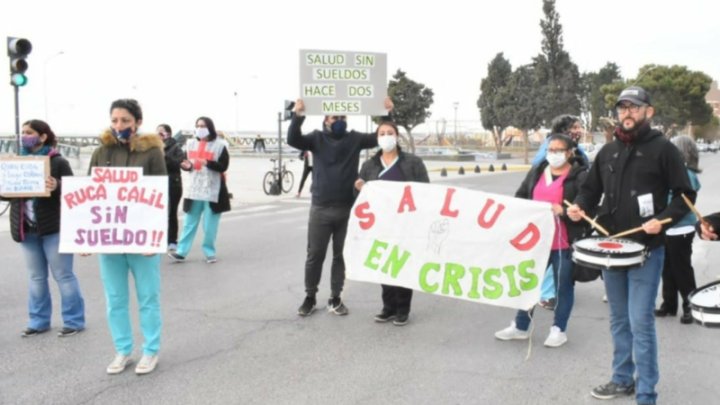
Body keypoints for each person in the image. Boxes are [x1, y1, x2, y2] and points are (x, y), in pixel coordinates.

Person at [567, 86, 695, 405]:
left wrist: (663, 220)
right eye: (622, 107)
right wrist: (579, 206)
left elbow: (684, 196)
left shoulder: (664, 149)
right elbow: (589, 189)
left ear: (648, 112)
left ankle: (647, 391)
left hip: (646, 250)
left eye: (634, 107)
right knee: (619, 320)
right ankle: (622, 379)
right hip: (611, 248)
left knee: (640, 321)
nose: (627, 112)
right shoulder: (608, 151)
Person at [288, 97, 393, 316]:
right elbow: (293, 139)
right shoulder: (316, 139)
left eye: (343, 117)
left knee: (340, 256)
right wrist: (297, 116)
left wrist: (386, 113)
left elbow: (379, 137)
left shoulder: (354, 139)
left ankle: (335, 298)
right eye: (335, 117)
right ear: (326, 120)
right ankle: (310, 297)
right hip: (320, 208)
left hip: (347, 209)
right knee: (315, 255)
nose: (340, 121)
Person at [88, 99, 167, 375]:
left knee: (148, 297)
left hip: (142, 238)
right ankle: (123, 350)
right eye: (115, 120)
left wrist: (156, 238)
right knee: (115, 299)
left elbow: (160, 197)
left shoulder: (152, 153)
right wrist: (85, 238)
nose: (119, 125)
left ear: (137, 122)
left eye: (124, 120)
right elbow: (90, 196)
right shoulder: (101, 152)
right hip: (110, 238)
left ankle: (150, 350)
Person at [495, 134, 589, 347]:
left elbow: (585, 207)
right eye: (550, 149)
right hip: (536, 241)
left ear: (569, 153)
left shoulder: (580, 176)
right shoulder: (537, 171)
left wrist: (563, 211)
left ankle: (559, 329)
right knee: (528, 282)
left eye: (559, 150)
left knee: (563, 285)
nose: (553, 154)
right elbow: (521, 197)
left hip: (564, 241)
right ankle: (520, 326)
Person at [2, 119, 85, 338]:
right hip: (26, 228)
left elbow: (75, 192)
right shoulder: (15, 162)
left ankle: (74, 320)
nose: (24, 136)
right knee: (36, 277)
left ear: (42, 136)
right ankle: (38, 321)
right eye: (22, 132)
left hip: (53, 228)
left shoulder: (57, 162)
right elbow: (5, 193)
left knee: (63, 275)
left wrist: (57, 185)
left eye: (28, 132)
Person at [354, 121, 429, 326]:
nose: (386, 136)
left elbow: (426, 192)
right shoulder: (370, 165)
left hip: (406, 225)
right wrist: (358, 187)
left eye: (390, 132)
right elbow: (360, 197)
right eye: (382, 133)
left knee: (402, 264)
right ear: (377, 138)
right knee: (384, 265)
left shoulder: (413, 163)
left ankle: (403, 309)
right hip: (380, 225)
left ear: (397, 136)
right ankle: (388, 308)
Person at [532, 114, 587, 310]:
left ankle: (553, 294)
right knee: (552, 258)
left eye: (580, 127)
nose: (579, 130)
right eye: (575, 127)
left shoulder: (576, 151)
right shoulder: (550, 152)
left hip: (568, 217)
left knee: (560, 259)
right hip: (550, 218)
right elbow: (538, 166)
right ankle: (547, 294)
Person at [168, 116, 230, 264]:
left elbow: (223, 166)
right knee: (189, 222)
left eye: (203, 125)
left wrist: (208, 163)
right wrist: (186, 166)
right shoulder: (190, 144)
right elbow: (187, 164)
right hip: (195, 190)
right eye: (197, 125)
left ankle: (209, 252)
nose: (199, 128)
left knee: (210, 225)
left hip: (212, 190)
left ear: (210, 127)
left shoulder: (220, 145)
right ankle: (181, 252)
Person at [655, 135, 700, 324]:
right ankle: (669, 304)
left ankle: (690, 307)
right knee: (667, 269)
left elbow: (680, 203)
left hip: (680, 229)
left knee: (681, 270)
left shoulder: (686, 174)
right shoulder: (677, 171)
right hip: (668, 228)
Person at [157, 124, 184, 252]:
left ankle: (172, 240)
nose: (159, 135)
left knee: (171, 212)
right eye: (157, 132)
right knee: (158, 213)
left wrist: (164, 155)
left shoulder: (176, 147)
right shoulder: (154, 147)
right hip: (158, 183)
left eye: (161, 132)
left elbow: (179, 162)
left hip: (173, 182)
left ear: (168, 133)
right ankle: (159, 238)